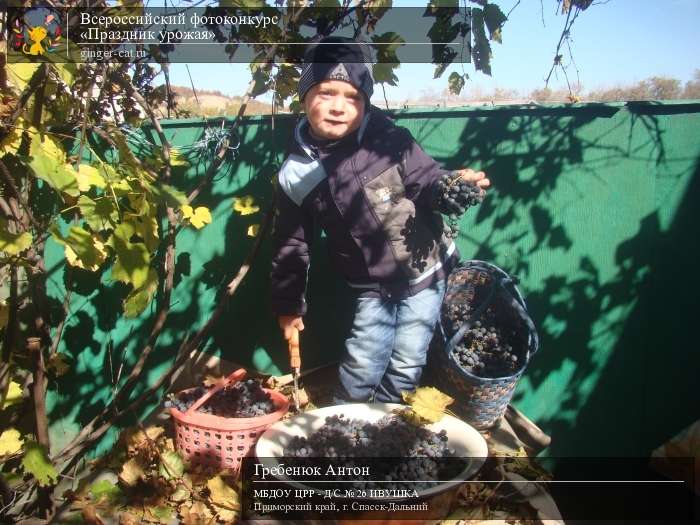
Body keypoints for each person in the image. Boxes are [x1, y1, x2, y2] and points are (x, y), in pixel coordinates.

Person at [270, 37, 490, 404]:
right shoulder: (296, 174)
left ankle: (388, 427)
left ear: (365, 101)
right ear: (304, 94)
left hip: (425, 272)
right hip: (370, 286)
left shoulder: (387, 139)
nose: (339, 107)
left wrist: (452, 186)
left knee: (407, 361)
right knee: (362, 360)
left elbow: (427, 180)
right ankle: (344, 425)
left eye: (352, 97)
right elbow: (292, 244)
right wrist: (288, 305)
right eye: (325, 93)